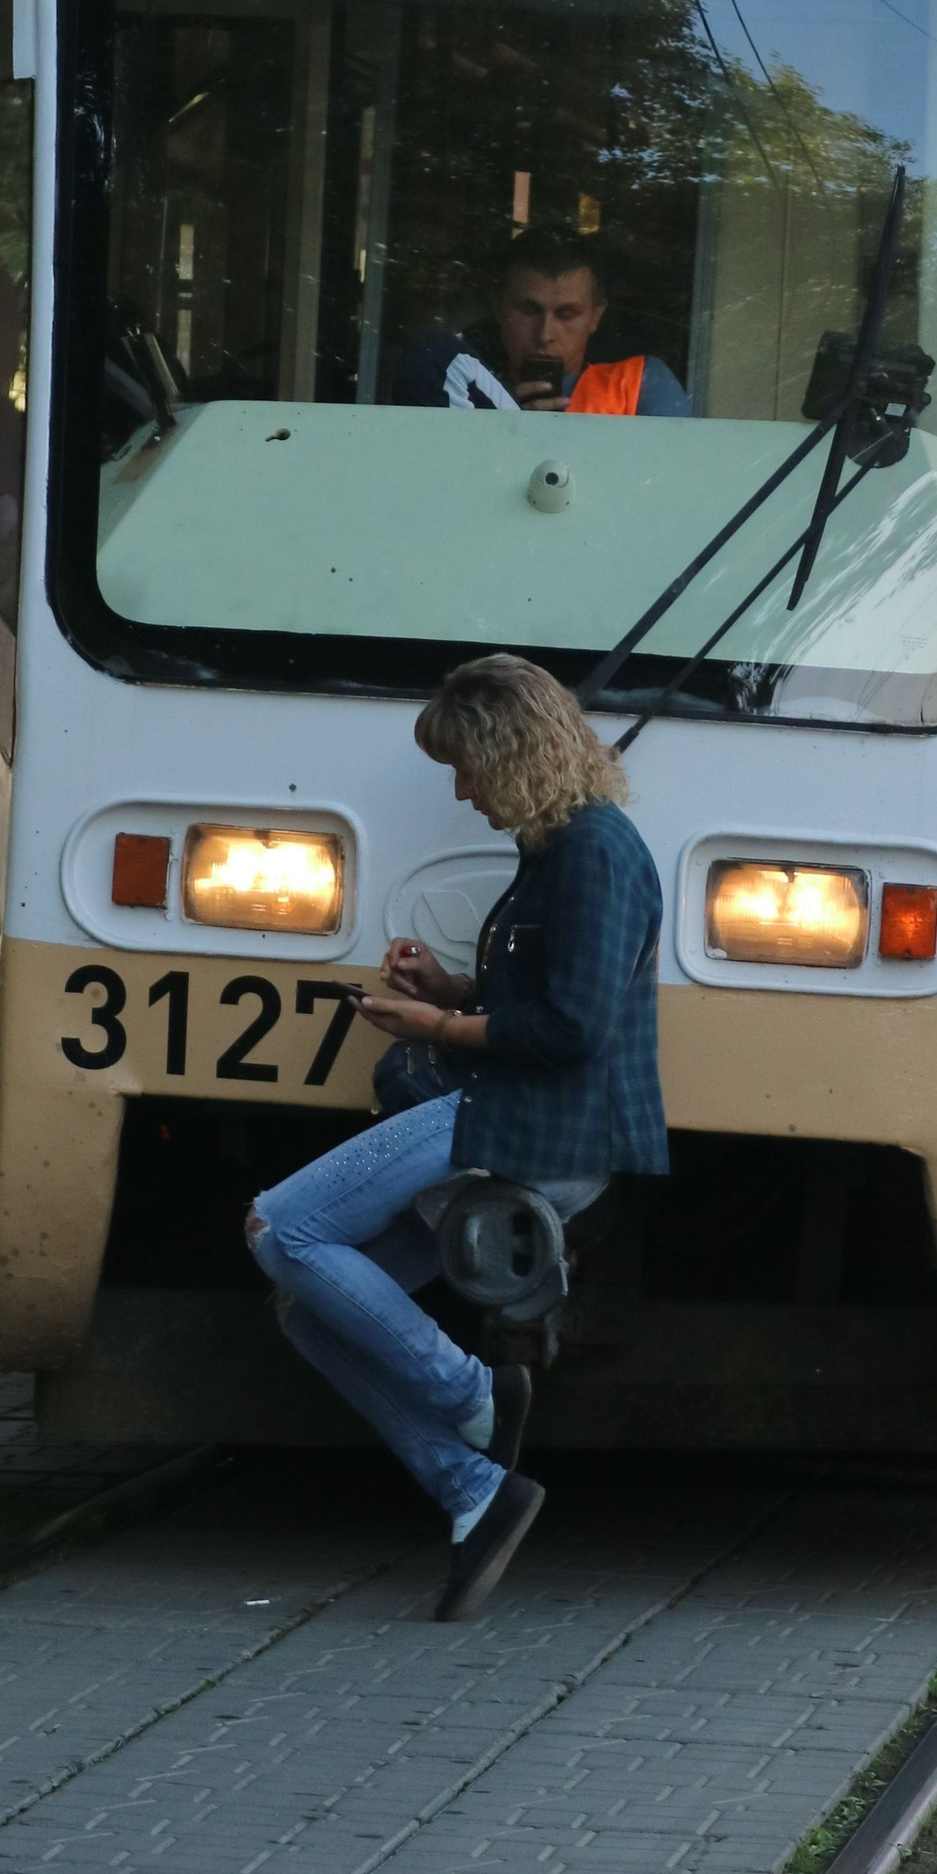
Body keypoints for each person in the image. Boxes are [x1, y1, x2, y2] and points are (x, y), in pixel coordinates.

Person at [245, 653, 669, 1623]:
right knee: (306, 1308)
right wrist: (446, 990)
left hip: (541, 1125)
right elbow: (547, 999)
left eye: (466, 766)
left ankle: (478, 1395)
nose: (461, 789)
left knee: (283, 1230)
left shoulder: (596, 852)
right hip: (511, 1106)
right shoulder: (557, 848)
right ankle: (475, 1490)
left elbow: (574, 1031)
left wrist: (434, 1031)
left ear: (510, 754)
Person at [392, 227, 692, 419]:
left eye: (566, 314)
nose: (545, 334)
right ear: (497, 305)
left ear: (596, 316)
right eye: (529, 310)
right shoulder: (461, 387)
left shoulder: (639, 383)